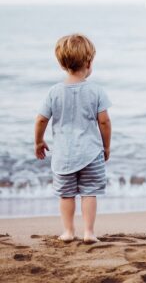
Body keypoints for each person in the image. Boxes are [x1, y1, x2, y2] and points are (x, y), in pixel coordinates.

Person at [34, 34, 112, 243]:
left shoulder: (54, 92)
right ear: (88, 63)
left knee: (66, 194)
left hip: (63, 156)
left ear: (62, 64)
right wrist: (106, 146)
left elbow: (41, 120)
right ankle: (89, 232)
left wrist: (39, 142)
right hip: (91, 153)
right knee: (89, 192)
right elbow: (104, 122)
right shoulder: (96, 91)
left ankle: (68, 231)